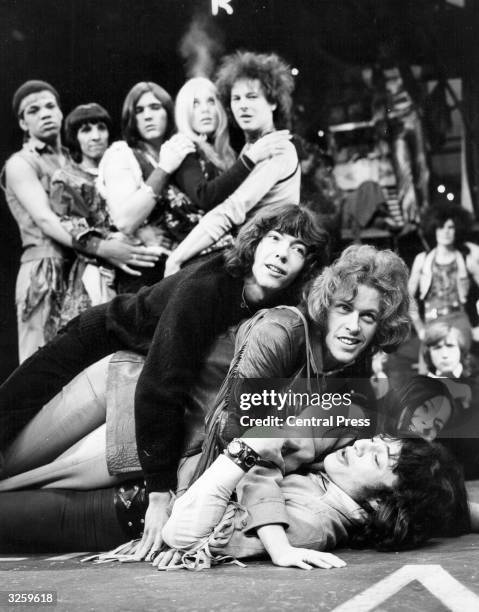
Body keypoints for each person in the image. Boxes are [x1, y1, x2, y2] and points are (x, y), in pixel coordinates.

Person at [0, 205, 329, 537]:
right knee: (9, 409)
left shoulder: (282, 306)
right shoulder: (208, 288)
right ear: (255, 243)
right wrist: (159, 491)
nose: (282, 254)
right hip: (97, 337)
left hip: (134, 355)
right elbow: (161, 384)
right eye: (274, 239)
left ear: (307, 265)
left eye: (297, 249)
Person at [99, 80, 290, 291]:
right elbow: (124, 221)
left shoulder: (216, 153)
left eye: (155, 107)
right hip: (154, 264)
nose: (147, 116)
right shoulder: (152, 151)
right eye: (139, 110)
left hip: (192, 257)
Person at [165, 51, 300, 276]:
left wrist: (176, 257)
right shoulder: (252, 149)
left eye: (252, 96)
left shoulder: (277, 148)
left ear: (273, 102)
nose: (243, 106)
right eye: (236, 98)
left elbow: (230, 210)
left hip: (268, 264)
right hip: (254, 256)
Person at [49, 103, 160, 326]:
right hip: (95, 269)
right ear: (74, 137)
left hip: (139, 261)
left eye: (101, 128)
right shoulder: (66, 179)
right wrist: (109, 246)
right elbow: (72, 228)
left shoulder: (124, 166)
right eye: (86, 130)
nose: (96, 136)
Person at [2, 80, 73, 361]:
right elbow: (46, 220)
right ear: (22, 122)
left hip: (78, 270)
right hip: (44, 271)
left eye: (49, 106)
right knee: (37, 367)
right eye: (33, 110)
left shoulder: (73, 160)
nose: (44, 113)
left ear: (60, 112)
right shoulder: (21, 163)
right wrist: (100, 249)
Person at [408, 203, 479, 372]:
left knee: (460, 373)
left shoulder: (465, 258)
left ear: (458, 230)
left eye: (451, 227)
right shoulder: (423, 259)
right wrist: (419, 327)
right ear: (433, 229)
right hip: (432, 323)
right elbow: (407, 297)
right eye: (440, 227)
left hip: (459, 321)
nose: (446, 232)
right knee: (428, 378)